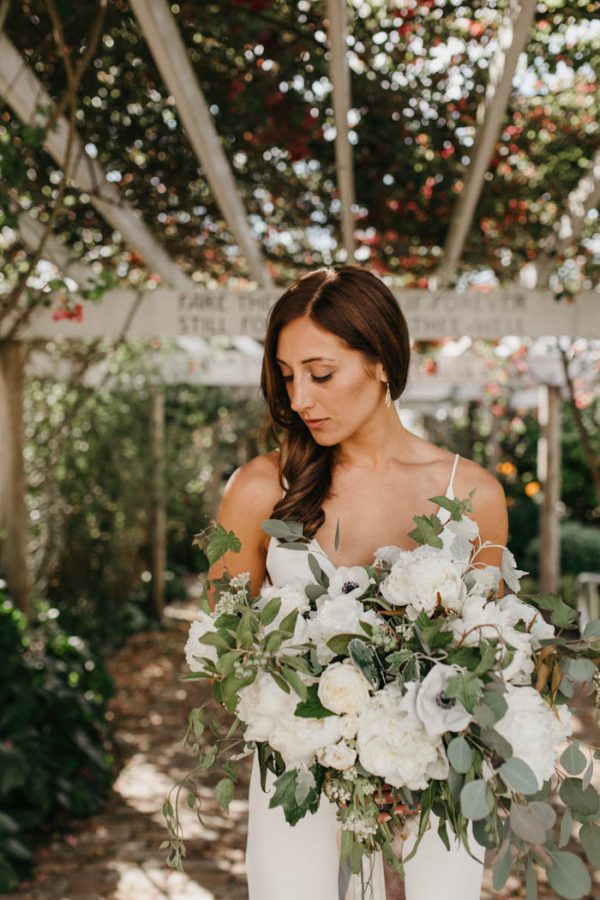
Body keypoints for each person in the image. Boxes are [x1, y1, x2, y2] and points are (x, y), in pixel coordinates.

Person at [209, 266, 508, 900]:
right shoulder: (261, 489)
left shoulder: (474, 494)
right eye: (287, 377)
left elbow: (490, 659)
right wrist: (333, 717)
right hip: (299, 772)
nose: (300, 400)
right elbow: (223, 657)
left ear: (380, 361)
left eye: (320, 374)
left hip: (439, 776)